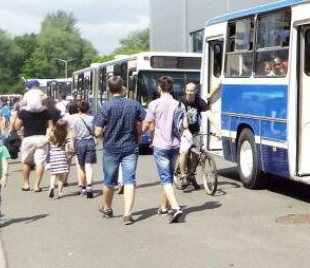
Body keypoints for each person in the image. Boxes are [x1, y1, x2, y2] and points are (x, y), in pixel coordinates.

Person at [93, 75, 146, 225]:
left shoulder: (106, 107)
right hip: (130, 147)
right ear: (122, 87)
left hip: (111, 148)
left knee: (109, 181)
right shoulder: (134, 104)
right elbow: (142, 122)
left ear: (109, 90)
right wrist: (138, 135)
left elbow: (97, 132)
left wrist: (107, 132)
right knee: (129, 180)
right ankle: (127, 213)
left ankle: (108, 207)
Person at [144, 76, 185, 223]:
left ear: (159, 88)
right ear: (172, 88)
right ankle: (163, 207)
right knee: (168, 176)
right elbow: (185, 125)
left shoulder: (154, 104)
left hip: (160, 145)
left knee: (165, 179)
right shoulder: (180, 105)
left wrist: (141, 131)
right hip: (175, 145)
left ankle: (175, 207)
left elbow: (147, 124)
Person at [176, 82, 221, 190]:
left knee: (196, 154)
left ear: (196, 91)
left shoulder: (200, 101)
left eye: (192, 91)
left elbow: (209, 114)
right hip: (183, 132)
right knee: (184, 152)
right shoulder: (181, 102)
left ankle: (191, 175)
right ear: (185, 90)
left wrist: (218, 129)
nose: (189, 93)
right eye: (187, 90)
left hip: (195, 131)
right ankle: (183, 176)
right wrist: (184, 130)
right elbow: (177, 118)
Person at [11, 91, 52, 192]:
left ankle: (26, 184)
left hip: (28, 138)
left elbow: (16, 127)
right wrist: (48, 136)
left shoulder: (23, 112)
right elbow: (50, 126)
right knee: (40, 162)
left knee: (26, 162)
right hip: (42, 138)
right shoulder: (46, 112)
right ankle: (37, 186)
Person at [66, 101, 96, 198]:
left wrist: (72, 146)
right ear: (88, 109)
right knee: (89, 166)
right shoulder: (92, 119)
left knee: (81, 166)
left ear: (79, 109)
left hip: (80, 142)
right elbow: (96, 131)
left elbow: (74, 134)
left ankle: (83, 188)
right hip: (90, 142)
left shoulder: (76, 120)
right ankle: (89, 186)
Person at [45, 121, 70, 199]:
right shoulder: (65, 135)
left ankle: (52, 186)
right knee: (61, 176)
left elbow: (47, 142)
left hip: (53, 156)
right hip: (61, 156)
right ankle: (60, 192)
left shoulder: (52, 134)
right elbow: (67, 145)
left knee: (53, 174)